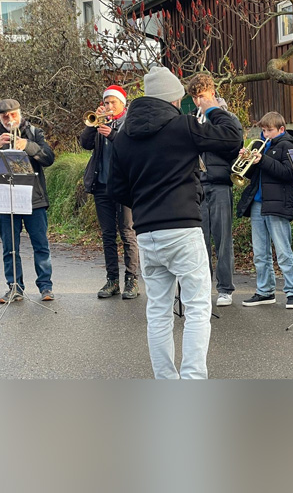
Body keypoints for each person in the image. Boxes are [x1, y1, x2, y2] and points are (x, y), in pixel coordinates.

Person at [108, 66, 243, 379]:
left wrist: (145, 203)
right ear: (172, 99)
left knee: (158, 312)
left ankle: (166, 382)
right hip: (183, 229)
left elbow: (116, 189)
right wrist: (212, 107)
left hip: (146, 233)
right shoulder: (183, 126)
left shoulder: (123, 137)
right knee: (197, 309)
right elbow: (232, 137)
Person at [0, 99, 56, 303]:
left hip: (34, 198)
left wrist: (27, 145)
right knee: (10, 247)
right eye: (5, 116)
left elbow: (49, 158)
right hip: (7, 199)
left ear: (20, 113)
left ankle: (45, 287)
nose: (9, 119)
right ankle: (14, 287)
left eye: (13, 115)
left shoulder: (34, 132)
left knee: (40, 245)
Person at [236, 112, 293, 310]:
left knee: (283, 251)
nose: (265, 134)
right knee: (260, 253)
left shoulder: (287, 146)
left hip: (277, 204)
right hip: (258, 204)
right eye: (263, 130)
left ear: (281, 129)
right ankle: (265, 291)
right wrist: (247, 160)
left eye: (269, 130)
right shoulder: (260, 145)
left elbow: (289, 174)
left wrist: (263, 160)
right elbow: (253, 175)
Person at [185, 73, 242, 307]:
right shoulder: (191, 118)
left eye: (202, 96)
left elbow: (235, 146)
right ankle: (204, 287)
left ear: (212, 93)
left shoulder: (228, 118)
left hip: (219, 182)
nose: (198, 101)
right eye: (195, 98)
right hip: (198, 184)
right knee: (200, 241)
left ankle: (226, 288)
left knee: (223, 238)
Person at [80, 85, 141, 300]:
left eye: (113, 102)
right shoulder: (100, 122)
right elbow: (85, 144)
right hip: (101, 185)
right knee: (107, 234)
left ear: (122, 103)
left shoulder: (130, 121)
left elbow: (134, 149)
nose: (109, 106)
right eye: (106, 102)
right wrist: (92, 125)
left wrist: (113, 135)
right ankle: (112, 280)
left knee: (127, 232)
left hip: (123, 186)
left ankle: (131, 279)